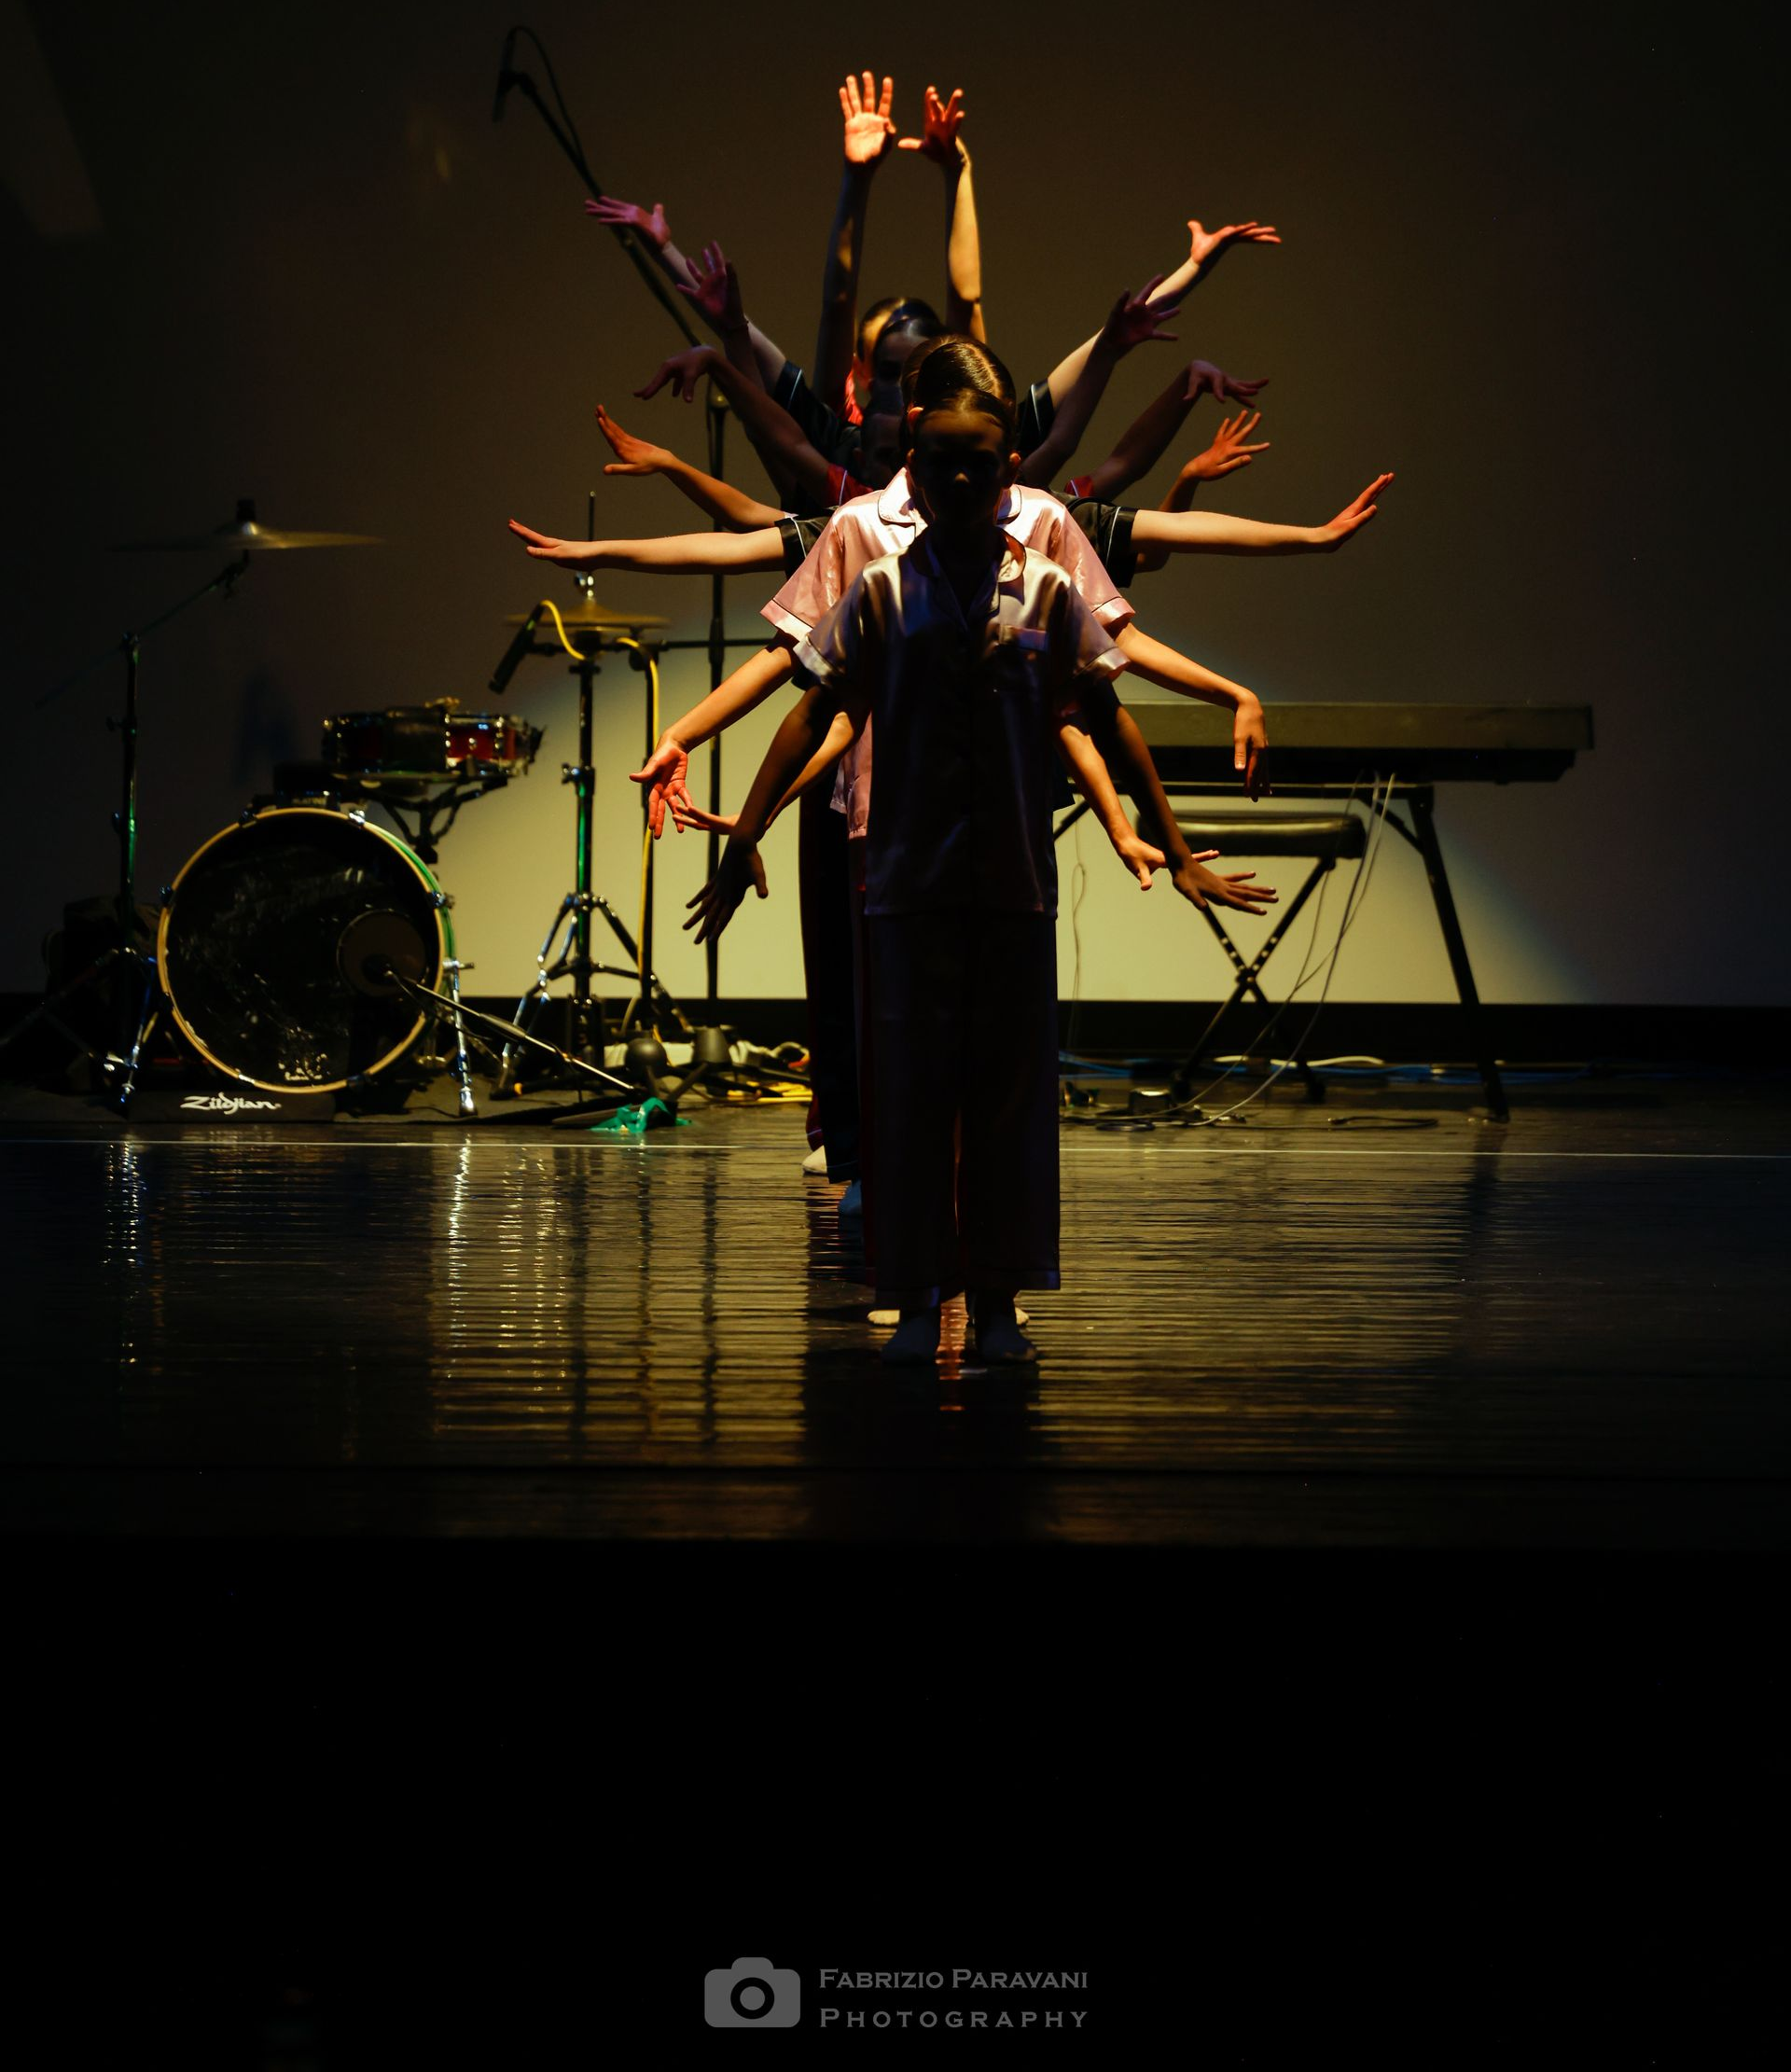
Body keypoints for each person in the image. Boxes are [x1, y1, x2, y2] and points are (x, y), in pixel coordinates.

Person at [684, 344, 1168, 1365]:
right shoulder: (880, 587)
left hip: (1010, 888)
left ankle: (994, 1303)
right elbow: (816, 709)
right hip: (904, 882)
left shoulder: (1041, 588)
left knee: (1007, 1103)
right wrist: (749, 828)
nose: (959, 479)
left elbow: (1104, 714)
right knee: (907, 1099)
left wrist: (1156, 832)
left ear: (1006, 471)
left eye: (979, 463)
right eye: (940, 460)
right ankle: (913, 1298)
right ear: (913, 456)